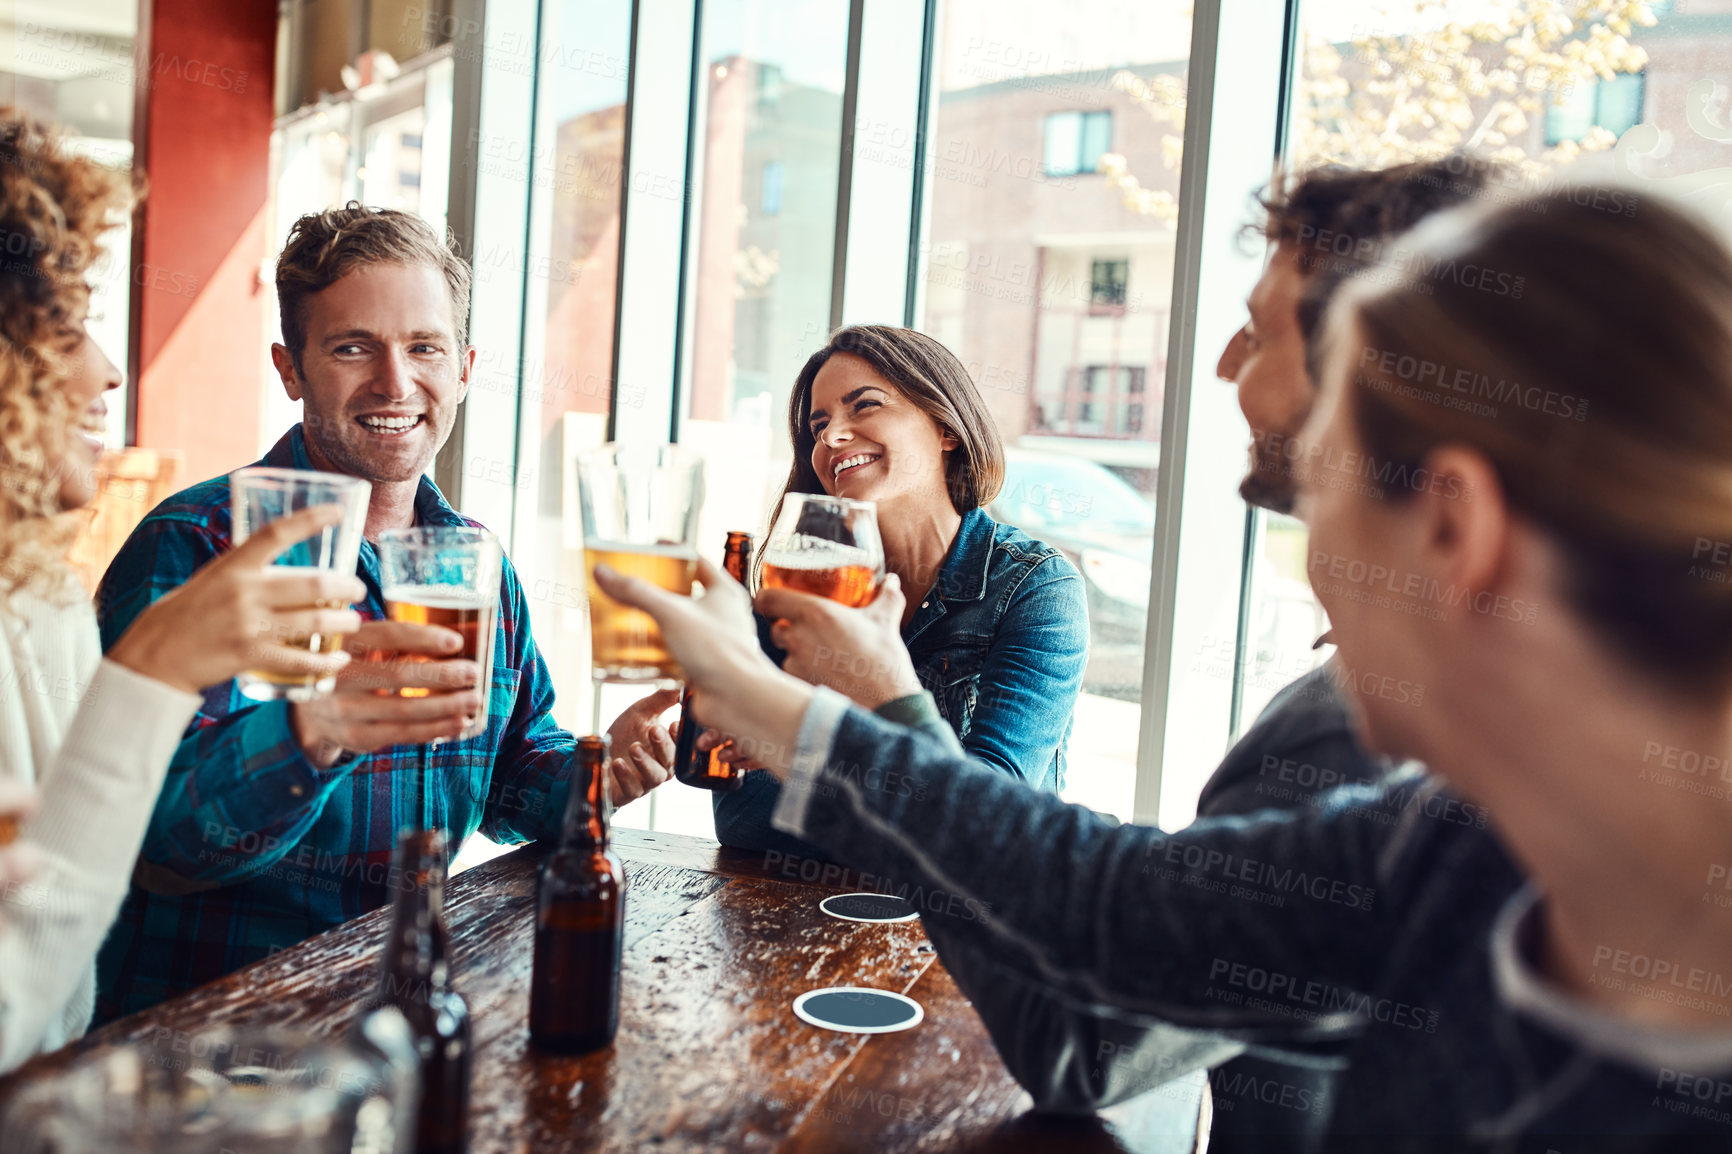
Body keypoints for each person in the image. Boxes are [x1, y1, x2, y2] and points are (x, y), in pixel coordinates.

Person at [597, 187, 1732, 1144]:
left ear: (1454, 530)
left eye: (1313, 491)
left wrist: (798, 706)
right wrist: (762, 698)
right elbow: (1103, 903)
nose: (1315, 580)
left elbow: (1077, 1009)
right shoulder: (1446, 849)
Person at [90, 204, 674, 1021]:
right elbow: (157, 845)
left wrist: (598, 774)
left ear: (465, 369)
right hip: (209, 1046)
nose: (395, 384)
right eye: (353, 347)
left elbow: (511, 778)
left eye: (424, 348)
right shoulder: (196, 545)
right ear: (291, 370)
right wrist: (314, 729)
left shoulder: (474, 564)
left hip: (406, 1011)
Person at [0, 112, 367, 1072]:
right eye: (65, 328)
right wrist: (157, 667)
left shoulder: (32, 595)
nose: (108, 371)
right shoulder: (184, 541)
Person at [708, 325, 1089, 860]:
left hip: (974, 929)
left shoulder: (1032, 588)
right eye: (819, 425)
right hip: (812, 921)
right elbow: (744, 817)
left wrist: (836, 733)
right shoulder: (804, 581)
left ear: (946, 429)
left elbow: (992, 823)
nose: (832, 436)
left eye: (863, 406)